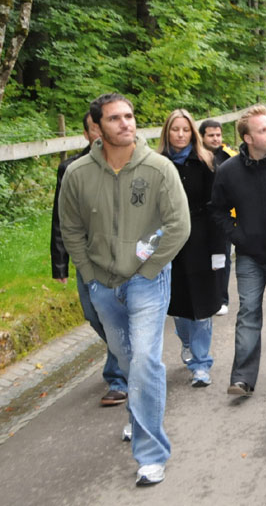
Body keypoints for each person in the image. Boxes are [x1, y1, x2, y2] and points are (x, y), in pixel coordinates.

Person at [58, 93, 190, 486]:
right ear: (97, 127)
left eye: (130, 116)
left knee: (147, 360)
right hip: (102, 283)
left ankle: (151, 454)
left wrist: (150, 270)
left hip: (147, 282)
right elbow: (71, 229)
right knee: (129, 360)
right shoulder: (77, 174)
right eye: (115, 118)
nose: (126, 124)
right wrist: (89, 274)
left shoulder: (159, 168)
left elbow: (178, 225)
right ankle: (139, 414)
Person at [209, 105, 266, 397]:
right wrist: (238, 236)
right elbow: (217, 210)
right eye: (263, 130)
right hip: (250, 254)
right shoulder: (229, 171)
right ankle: (242, 378)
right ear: (247, 139)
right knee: (248, 312)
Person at [51, 110, 128, 407]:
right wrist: (60, 262)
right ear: (87, 135)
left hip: (124, 256)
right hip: (87, 257)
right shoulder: (71, 169)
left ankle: (118, 377)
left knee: (115, 313)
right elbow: (61, 219)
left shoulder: (129, 164)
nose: (101, 134)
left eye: (104, 126)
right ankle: (129, 353)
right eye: (94, 129)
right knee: (94, 314)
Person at [158, 109, 225, 388]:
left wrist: (219, 251)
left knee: (203, 305)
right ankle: (186, 342)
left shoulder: (206, 163)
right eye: (176, 129)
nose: (181, 135)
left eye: (186, 130)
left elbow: (216, 208)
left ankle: (201, 363)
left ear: (193, 133)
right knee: (178, 304)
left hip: (201, 239)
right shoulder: (157, 165)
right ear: (167, 132)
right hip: (169, 241)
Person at [198, 119, 237, 316]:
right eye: (211, 135)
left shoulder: (229, 156)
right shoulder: (196, 156)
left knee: (222, 258)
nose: (215, 138)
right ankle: (205, 296)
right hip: (200, 216)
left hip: (223, 216)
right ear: (202, 136)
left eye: (218, 135)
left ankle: (222, 298)